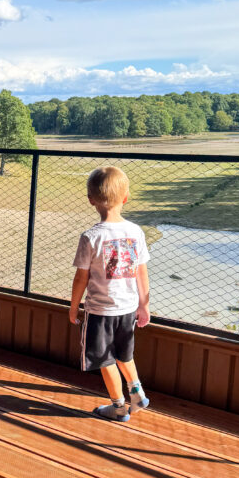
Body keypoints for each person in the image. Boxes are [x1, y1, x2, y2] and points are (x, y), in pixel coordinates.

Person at [69, 165, 151, 421]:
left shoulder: (90, 237)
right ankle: (136, 391)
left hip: (100, 312)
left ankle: (118, 407)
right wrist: (144, 305)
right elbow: (141, 272)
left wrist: (73, 307)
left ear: (91, 200)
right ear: (126, 198)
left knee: (105, 360)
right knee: (125, 355)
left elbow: (81, 278)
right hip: (128, 309)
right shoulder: (135, 232)